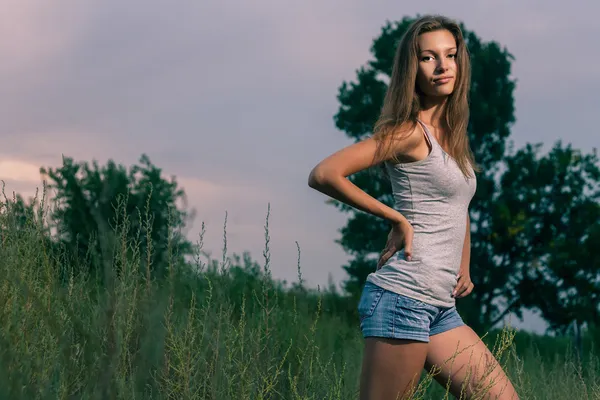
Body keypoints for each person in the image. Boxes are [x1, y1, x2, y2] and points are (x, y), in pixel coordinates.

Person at [308, 14, 519, 400]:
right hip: (402, 298)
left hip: (440, 307)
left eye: (450, 55)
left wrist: (464, 262)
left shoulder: (452, 135)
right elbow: (325, 173)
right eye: (428, 58)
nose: (442, 66)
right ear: (413, 69)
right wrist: (395, 217)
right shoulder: (408, 132)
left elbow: (458, 203)